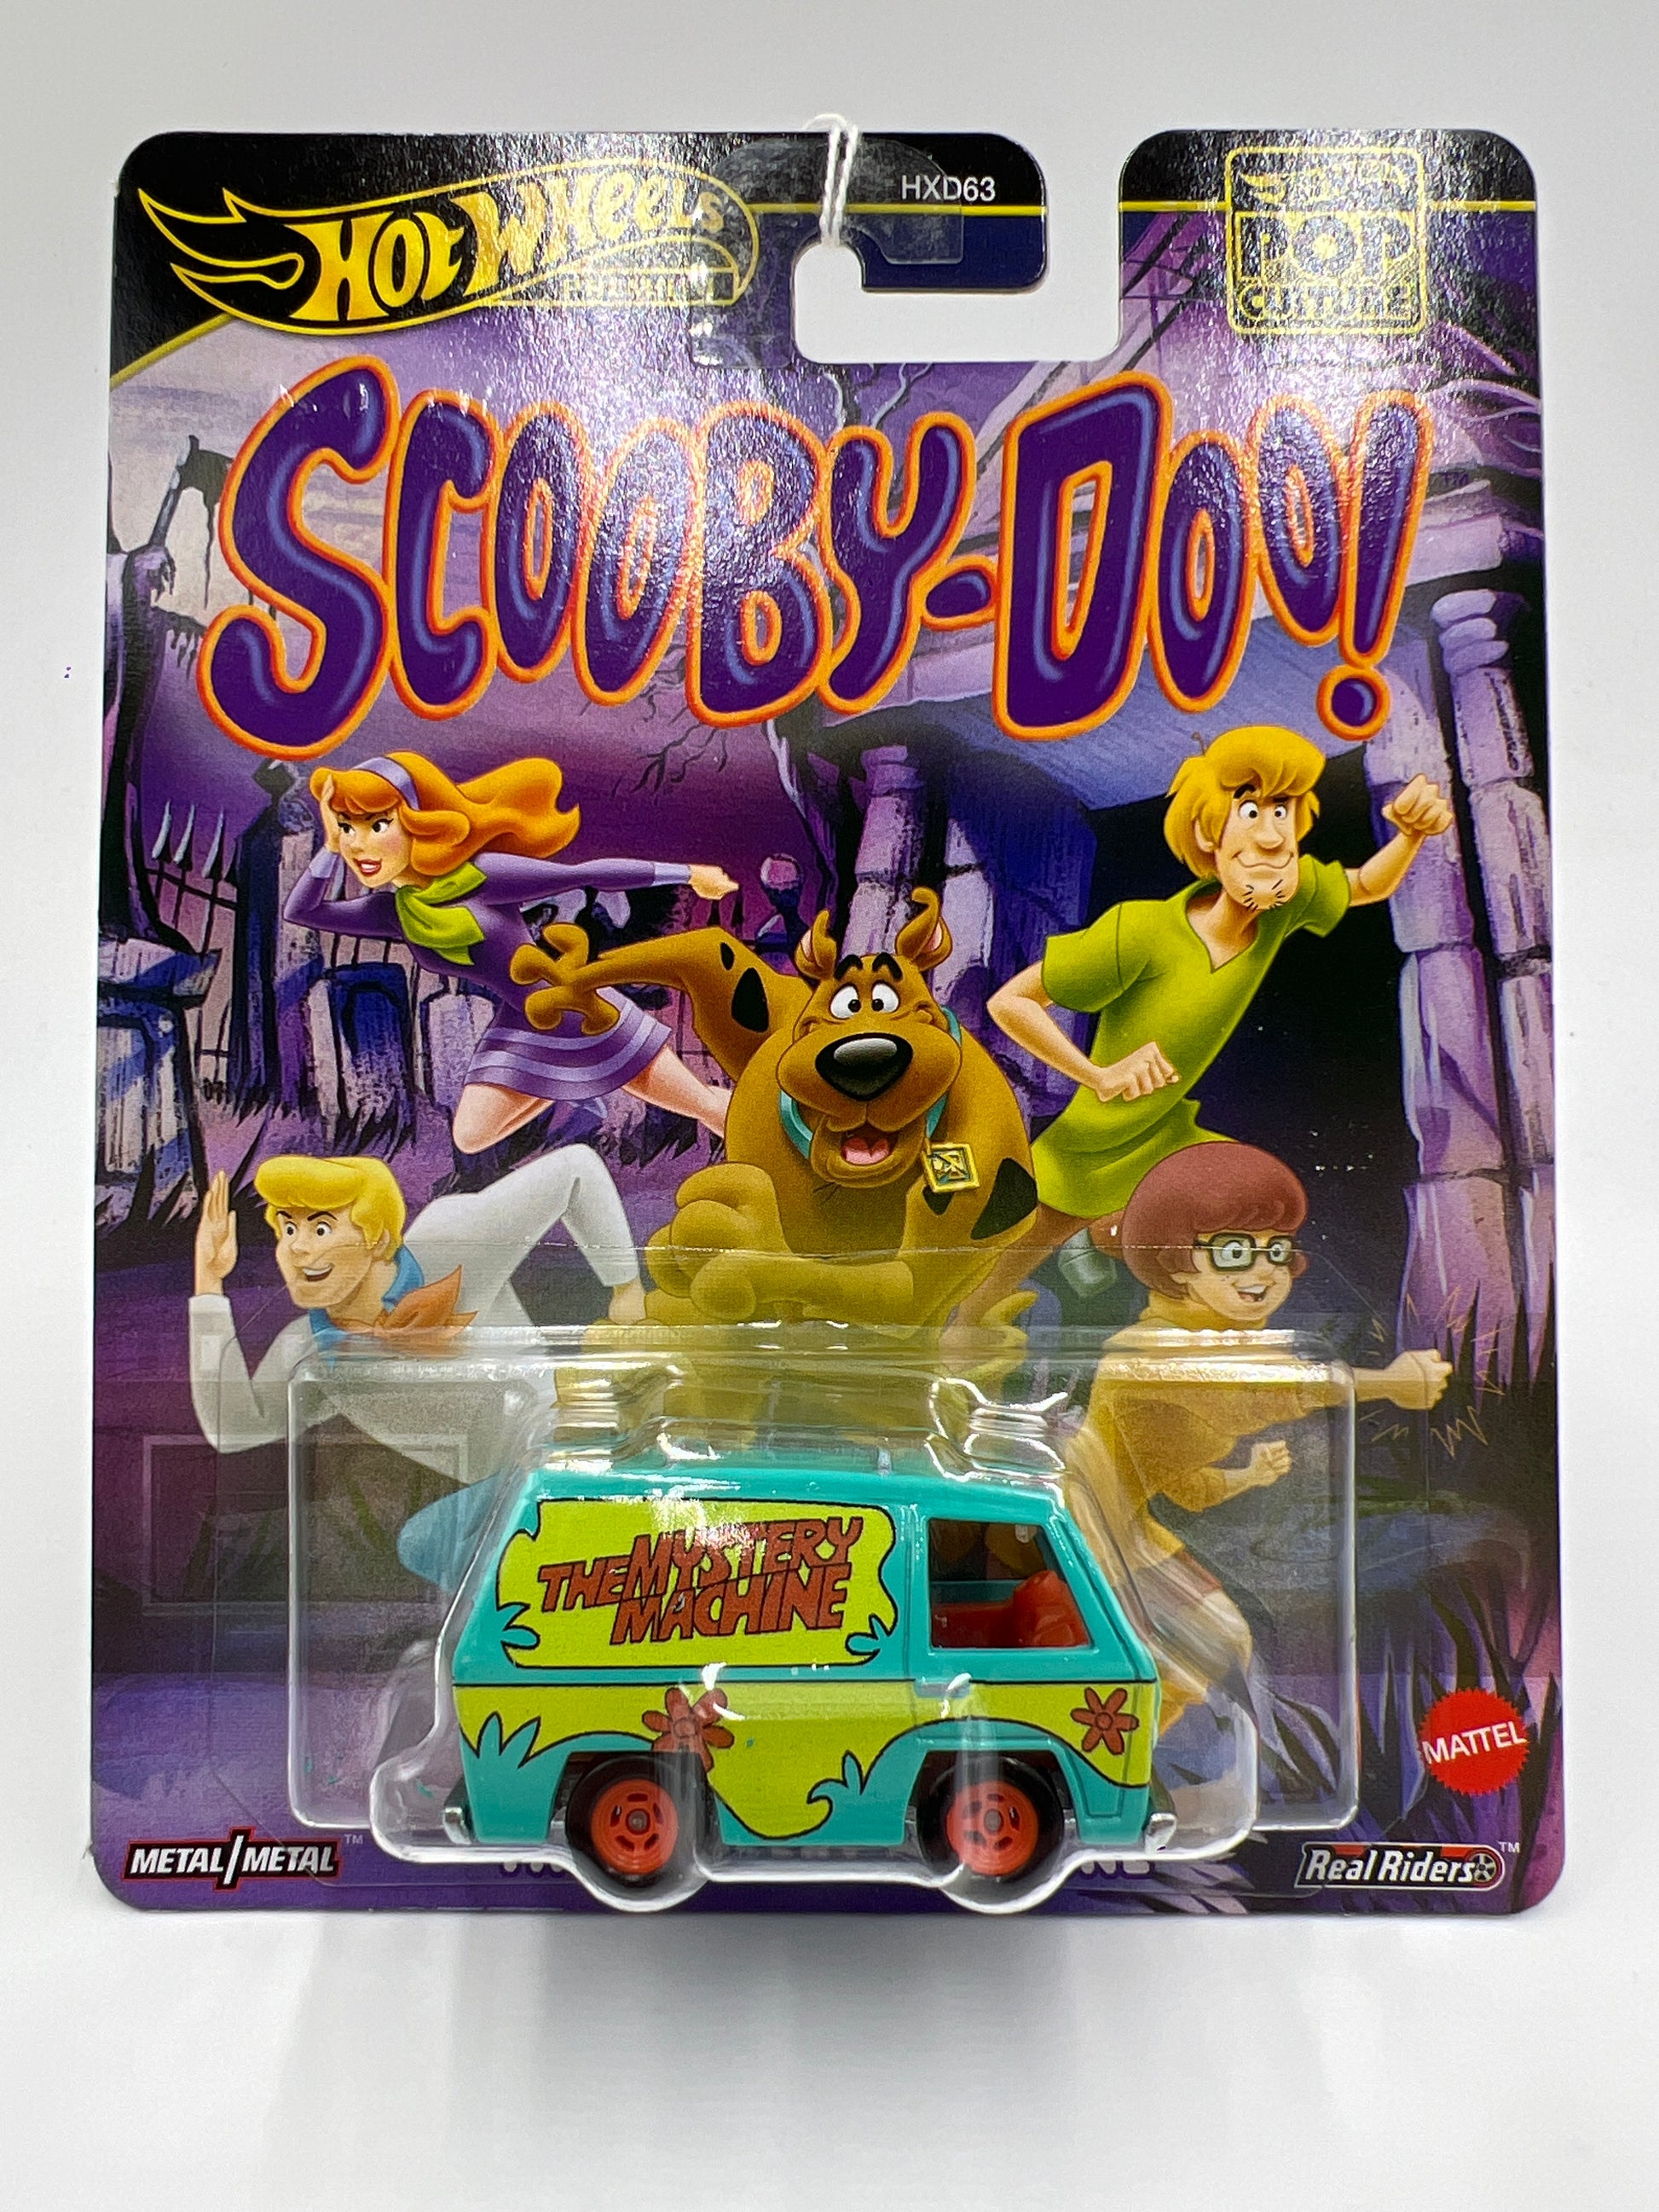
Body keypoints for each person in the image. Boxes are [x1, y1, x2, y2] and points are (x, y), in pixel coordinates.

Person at [955, 724, 1454, 1325]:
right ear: (1207, 832)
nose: (1271, 834)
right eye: (1251, 811)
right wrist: (1099, 1074)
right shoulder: (1140, 932)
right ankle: (1095, 1236)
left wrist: (1411, 835)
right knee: (983, 1298)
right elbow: (1011, 1002)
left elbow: (1368, 883)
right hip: (1089, 1147)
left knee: (1250, 1195)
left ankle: (1135, 1267)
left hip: (1171, 1132)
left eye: (1282, 811)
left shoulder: (1281, 908)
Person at [1065, 1142, 1450, 1714]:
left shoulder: (1209, 1346)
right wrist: (1386, 1383)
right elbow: (1256, 1390)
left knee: (1218, 1647)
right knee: (1188, 1654)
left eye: (1276, 1250)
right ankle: (1103, 1755)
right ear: (1175, 1262)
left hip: (1126, 1535)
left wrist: (1247, 1475)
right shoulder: (1148, 1351)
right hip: (1077, 1536)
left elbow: (1183, 1486)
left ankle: (1125, 1758)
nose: (1265, 1270)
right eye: (1234, 1251)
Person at [285, 750, 737, 1152]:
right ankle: (570, 1082)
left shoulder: (478, 876)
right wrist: (330, 846)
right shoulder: (395, 912)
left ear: (420, 822)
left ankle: (765, 1138)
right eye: (348, 826)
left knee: (712, 1111)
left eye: (378, 825)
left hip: (579, 1010)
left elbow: (584, 873)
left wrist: (687, 873)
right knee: (471, 1136)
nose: (358, 843)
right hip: (522, 1024)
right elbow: (302, 910)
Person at [189, 1147, 645, 1464]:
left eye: (321, 1229)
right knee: (420, 1545)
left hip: (576, 1443)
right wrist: (209, 1283)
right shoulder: (310, 1350)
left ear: (377, 1238)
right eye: (289, 1229)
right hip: (500, 1497)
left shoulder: (450, 1239)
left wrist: (626, 1289)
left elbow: (575, 1170)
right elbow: (236, 1430)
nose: (297, 1248)